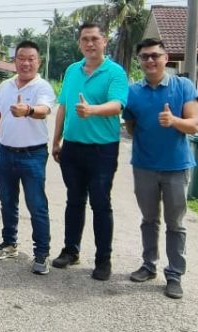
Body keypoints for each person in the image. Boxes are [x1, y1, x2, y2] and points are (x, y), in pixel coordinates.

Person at [50, 22, 129, 281]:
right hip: (72, 146)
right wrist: (56, 140)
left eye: (95, 38)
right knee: (74, 201)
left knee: (100, 203)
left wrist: (92, 110)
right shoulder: (72, 70)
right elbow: (63, 106)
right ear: (79, 43)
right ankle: (70, 250)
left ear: (104, 41)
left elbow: (118, 105)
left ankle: (103, 260)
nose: (90, 44)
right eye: (85, 39)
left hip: (102, 149)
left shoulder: (115, 72)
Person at [122, 38, 198, 299]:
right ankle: (148, 265)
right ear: (140, 61)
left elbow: (193, 125)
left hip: (176, 167)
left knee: (175, 223)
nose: (150, 61)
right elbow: (131, 126)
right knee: (149, 220)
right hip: (144, 166)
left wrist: (173, 120)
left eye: (155, 55)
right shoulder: (133, 92)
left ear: (167, 58)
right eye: (144, 57)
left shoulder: (183, 86)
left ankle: (175, 274)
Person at [0, 40, 57, 274]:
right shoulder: (5, 86)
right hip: (5, 152)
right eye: (21, 58)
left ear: (38, 61)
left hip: (32, 154)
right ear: (15, 61)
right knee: (7, 202)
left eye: (31, 58)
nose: (26, 63)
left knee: (36, 205)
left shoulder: (42, 87)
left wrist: (29, 111)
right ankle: (9, 243)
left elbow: (44, 111)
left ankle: (41, 253)